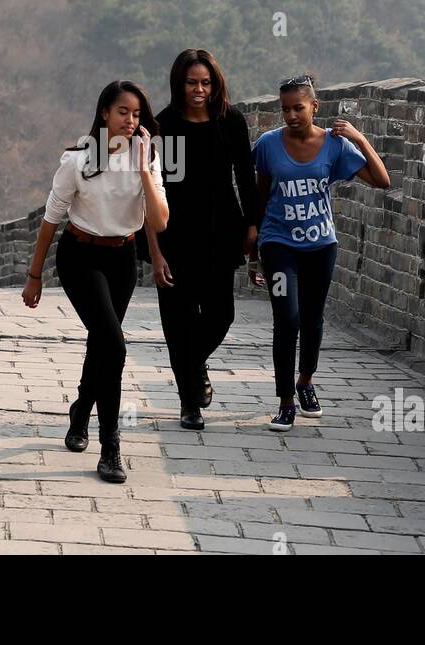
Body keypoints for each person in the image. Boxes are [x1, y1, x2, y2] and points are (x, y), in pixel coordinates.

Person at [22, 81, 169, 482]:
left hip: (122, 259)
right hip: (80, 257)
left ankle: (81, 409)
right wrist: (35, 276)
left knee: (102, 341)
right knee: (115, 345)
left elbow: (159, 221)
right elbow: (51, 219)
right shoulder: (78, 159)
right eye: (123, 112)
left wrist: (143, 168)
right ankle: (110, 447)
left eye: (137, 114)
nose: (131, 120)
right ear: (105, 112)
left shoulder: (150, 157)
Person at [249, 74, 390, 431]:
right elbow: (260, 197)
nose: (291, 115)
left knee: (312, 319)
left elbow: (382, 180)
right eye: (285, 109)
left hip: (320, 247)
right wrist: (253, 251)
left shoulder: (335, 145)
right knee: (287, 321)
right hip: (278, 245)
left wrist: (359, 138)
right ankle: (285, 403)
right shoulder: (268, 145)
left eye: (298, 107)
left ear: (315, 106)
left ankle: (305, 381)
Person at [145, 49, 260, 431]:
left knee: (220, 314)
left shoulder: (231, 122)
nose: (199, 89)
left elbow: (246, 176)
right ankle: (188, 403)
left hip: (220, 233)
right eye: (192, 82)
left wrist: (252, 225)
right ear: (179, 84)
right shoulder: (163, 128)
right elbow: (150, 195)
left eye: (206, 82)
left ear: (215, 84)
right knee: (177, 322)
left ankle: (193, 365)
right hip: (174, 236)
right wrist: (155, 252)